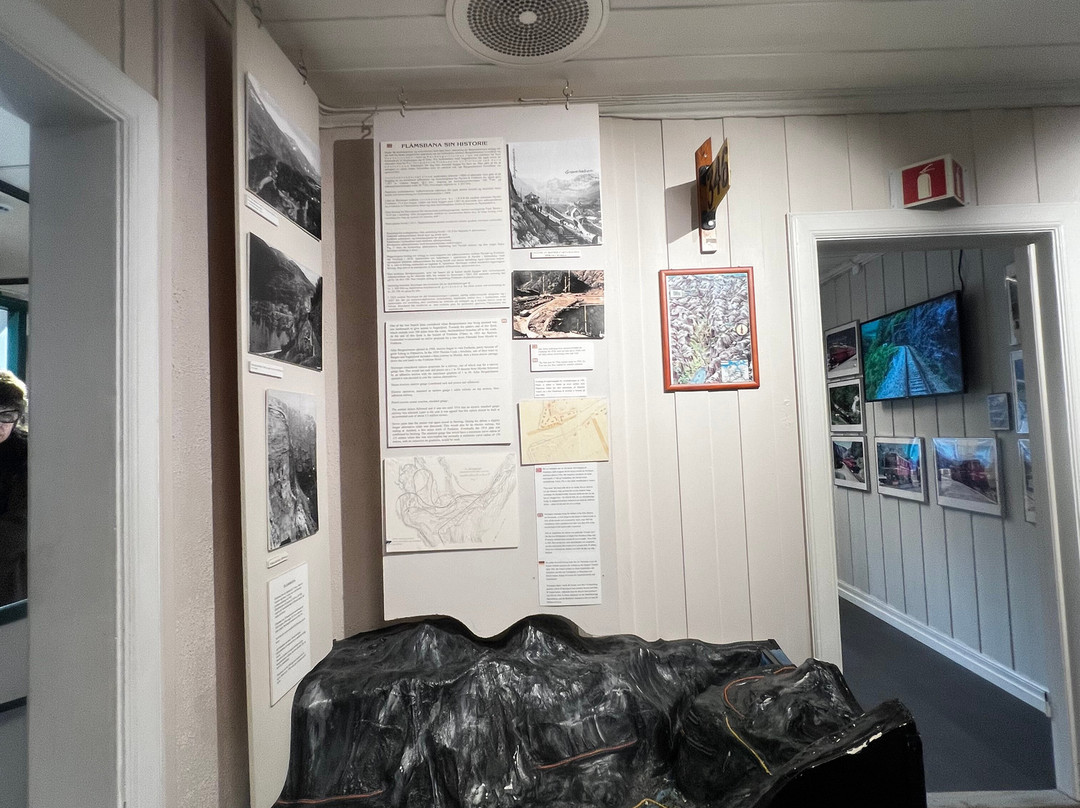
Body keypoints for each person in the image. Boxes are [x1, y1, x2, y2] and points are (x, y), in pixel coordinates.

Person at [0, 371, 27, 607]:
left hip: (8, 575)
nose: (0, 424)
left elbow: (18, 525)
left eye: (7, 415)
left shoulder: (27, 455)